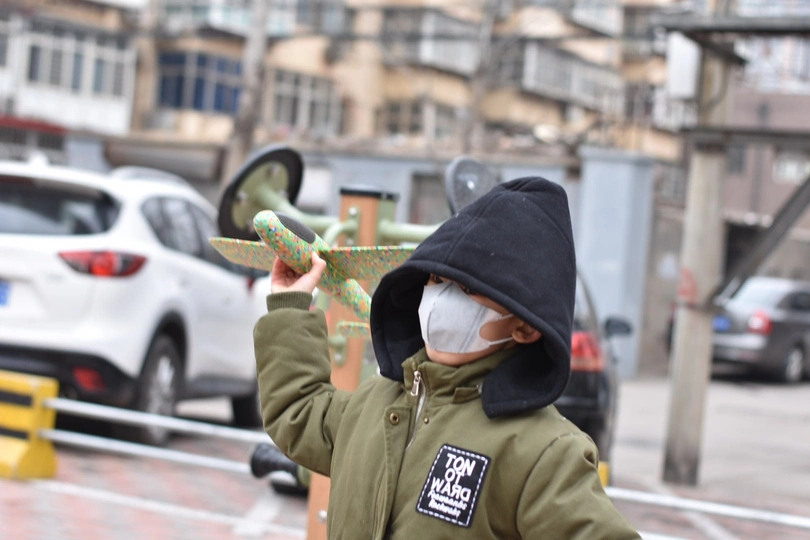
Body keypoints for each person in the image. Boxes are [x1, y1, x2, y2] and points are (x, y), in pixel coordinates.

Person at [254, 177, 641, 539]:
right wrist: (290, 306)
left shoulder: (545, 453)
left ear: (525, 327)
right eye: (437, 280)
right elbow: (299, 412)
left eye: (467, 290)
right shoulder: (376, 401)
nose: (440, 300)